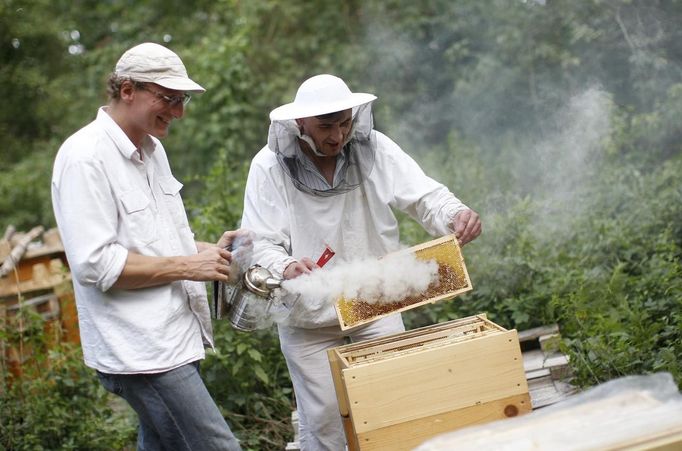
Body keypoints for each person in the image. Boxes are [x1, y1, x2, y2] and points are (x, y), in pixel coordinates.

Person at [240, 74, 481, 450]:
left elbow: (423, 194)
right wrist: (284, 266)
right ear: (299, 123)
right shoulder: (268, 167)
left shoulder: (375, 148)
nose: (337, 135)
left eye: (344, 123)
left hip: (376, 300)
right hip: (308, 317)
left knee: (392, 405)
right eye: (325, 126)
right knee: (322, 423)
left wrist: (454, 213)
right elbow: (260, 241)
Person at [51, 42, 242, 451]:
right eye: (167, 98)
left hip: (170, 337)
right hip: (141, 352)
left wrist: (207, 251)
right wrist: (190, 267)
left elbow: (156, 240)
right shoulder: (85, 158)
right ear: (126, 90)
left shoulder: (153, 151)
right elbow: (96, 265)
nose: (178, 112)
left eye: (182, 100)